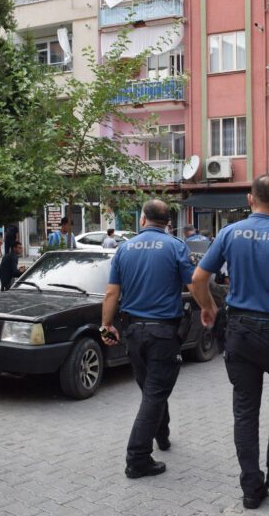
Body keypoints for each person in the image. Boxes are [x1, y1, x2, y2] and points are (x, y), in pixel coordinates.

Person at [191, 174, 269, 510]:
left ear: (250, 199)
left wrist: (208, 307)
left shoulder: (229, 233)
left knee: (245, 410)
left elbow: (198, 278)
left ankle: (251, 488)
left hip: (240, 332)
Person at [100, 199, 196, 480]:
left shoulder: (124, 248)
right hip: (163, 334)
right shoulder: (176, 246)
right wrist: (210, 309)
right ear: (168, 222)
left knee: (152, 389)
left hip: (133, 334)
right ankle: (137, 459)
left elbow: (111, 294)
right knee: (155, 392)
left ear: (142, 219)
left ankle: (162, 435)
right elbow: (194, 284)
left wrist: (106, 326)